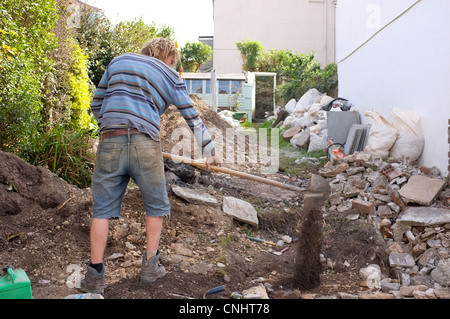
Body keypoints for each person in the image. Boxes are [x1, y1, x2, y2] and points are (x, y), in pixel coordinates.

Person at [80, 38, 221, 295]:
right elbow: (191, 115)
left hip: (110, 140)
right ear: (169, 57)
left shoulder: (119, 61)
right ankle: (150, 267)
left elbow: (96, 104)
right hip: (145, 142)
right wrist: (210, 152)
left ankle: (94, 277)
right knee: (155, 205)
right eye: (173, 61)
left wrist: (112, 127)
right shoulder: (170, 75)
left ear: (146, 52)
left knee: (102, 210)